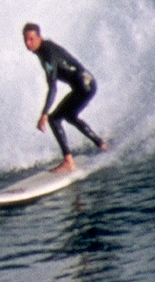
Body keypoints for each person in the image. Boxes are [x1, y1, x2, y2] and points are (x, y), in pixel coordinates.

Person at [22, 22, 107, 173]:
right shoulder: (46, 47)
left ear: (39, 37)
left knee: (54, 119)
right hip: (88, 83)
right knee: (70, 116)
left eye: (31, 39)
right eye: (25, 40)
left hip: (84, 86)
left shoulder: (47, 55)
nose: (28, 43)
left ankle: (68, 161)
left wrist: (44, 113)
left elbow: (53, 87)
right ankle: (101, 144)